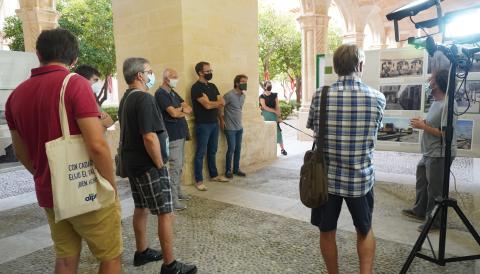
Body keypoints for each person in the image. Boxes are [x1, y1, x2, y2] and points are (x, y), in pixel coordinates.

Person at [5, 28, 122, 274]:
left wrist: (44, 175)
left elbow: (21, 151)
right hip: (87, 189)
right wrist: (110, 185)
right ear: (74, 59)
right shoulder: (75, 84)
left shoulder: (15, 96)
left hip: (51, 192)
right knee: (110, 256)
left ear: (38, 54)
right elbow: (97, 145)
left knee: (66, 258)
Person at [307, 44, 386, 274]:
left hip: (326, 180)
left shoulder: (320, 95)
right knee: (365, 230)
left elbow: (314, 128)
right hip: (360, 180)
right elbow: (375, 131)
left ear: (336, 67)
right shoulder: (378, 98)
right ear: (360, 65)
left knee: (327, 230)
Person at [118, 58, 197, 274]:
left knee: (141, 208)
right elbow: (149, 137)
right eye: (149, 71)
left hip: (133, 164)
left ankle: (141, 252)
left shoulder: (126, 98)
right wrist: (160, 165)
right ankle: (170, 265)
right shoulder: (144, 98)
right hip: (148, 164)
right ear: (139, 76)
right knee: (165, 213)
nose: (151, 74)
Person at [402, 69, 456, 232]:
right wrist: (423, 122)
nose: (428, 81)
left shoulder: (448, 104)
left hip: (440, 154)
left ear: (437, 82)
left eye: (431, 79)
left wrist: (423, 126)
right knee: (422, 180)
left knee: (435, 190)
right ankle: (419, 211)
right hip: (429, 152)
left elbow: (446, 133)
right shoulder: (436, 102)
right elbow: (434, 123)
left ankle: (435, 221)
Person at [155, 68, 192, 211]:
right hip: (172, 135)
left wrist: (180, 110)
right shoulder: (161, 94)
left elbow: (187, 107)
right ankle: (172, 199)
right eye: (173, 76)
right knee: (174, 168)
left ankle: (178, 192)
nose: (176, 78)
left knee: (179, 166)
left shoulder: (172, 92)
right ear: (166, 78)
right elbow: (174, 113)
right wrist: (180, 110)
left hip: (181, 134)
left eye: (177, 76)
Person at [191, 61, 230, 191]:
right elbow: (207, 105)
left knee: (212, 150)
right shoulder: (196, 88)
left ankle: (214, 175)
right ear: (200, 72)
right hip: (203, 124)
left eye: (210, 70)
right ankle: (199, 180)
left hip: (214, 123)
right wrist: (215, 102)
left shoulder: (213, 86)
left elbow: (222, 102)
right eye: (207, 71)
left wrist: (221, 118)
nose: (210, 73)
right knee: (200, 153)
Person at [220, 74, 247, 178]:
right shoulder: (229, 95)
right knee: (231, 148)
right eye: (243, 82)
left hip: (239, 127)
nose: (245, 84)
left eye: (246, 82)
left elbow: (238, 110)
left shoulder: (243, 96)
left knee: (238, 149)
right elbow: (220, 107)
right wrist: (221, 120)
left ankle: (236, 169)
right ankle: (228, 170)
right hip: (230, 128)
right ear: (237, 83)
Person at [75, 64, 114, 129]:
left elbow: (110, 122)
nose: (98, 83)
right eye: (95, 80)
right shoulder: (82, 100)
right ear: (83, 79)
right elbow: (107, 123)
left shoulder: (89, 98)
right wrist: (101, 120)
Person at [259, 81, 287, 155]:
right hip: (266, 115)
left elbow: (277, 105)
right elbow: (264, 107)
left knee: (278, 131)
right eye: (268, 85)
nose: (269, 87)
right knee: (267, 132)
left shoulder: (274, 95)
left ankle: (282, 149)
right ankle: (266, 150)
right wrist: (274, 111)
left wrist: (279, 115)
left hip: (274, 115)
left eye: (270, 85)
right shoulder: (262, 96)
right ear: (265, 87)